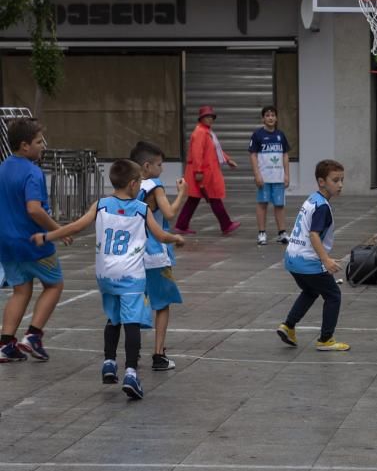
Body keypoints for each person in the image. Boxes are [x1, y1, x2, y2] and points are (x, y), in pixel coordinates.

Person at [33, 159, 185, 400]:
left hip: (105, 275)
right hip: (131, 277)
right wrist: (175, 239)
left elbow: (75, 226)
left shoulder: (101, 205)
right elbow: (160, 235)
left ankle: (109, 362)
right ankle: (132, 373)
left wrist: (48, 235)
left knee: (113, 319)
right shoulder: (141, 209)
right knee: (132, 322)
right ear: (134, 184)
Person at [0, 119, 67, 363]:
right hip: (33, 241)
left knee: (21, 290)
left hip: (7, 243)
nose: (43, 146)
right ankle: (33, 335)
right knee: (54, 285)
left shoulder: (3, 167)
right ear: (25, 146)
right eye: (39, 142)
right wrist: (59, 230)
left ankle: (7, 344)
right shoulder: (32, 172)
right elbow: (34, 210)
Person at [277, 159, 349, 352]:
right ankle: (326, 339)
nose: (340, 184)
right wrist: (325, 259)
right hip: (307, 261)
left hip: (292, 258)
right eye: (335, 180)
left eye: (342, 180)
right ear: (321, 181)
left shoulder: (312, 199)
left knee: (310, 291)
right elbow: (314, 234)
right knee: (333, 295)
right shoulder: (322, 207)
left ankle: (288, 326)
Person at [131, 141, 187, 371]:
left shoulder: (130, 187)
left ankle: (128, 356)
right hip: (155, 253)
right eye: (159, 164)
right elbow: (169, 213)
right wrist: (182, 193)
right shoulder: (155, 186)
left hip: (133, 255)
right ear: (147, 165)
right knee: (162, 304)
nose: (162, 169)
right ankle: (158, 354)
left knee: (133, 303)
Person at [174, 105, 240, 236]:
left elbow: (216, 150)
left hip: (205, 172)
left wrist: (227, 160)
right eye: (207, 117)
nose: (210, 119)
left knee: (194, 199)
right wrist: (198, 172)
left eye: (211, 117)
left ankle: (181, 225)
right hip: (203, 173)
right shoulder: (200, 132)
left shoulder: (207, 132)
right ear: (201, 118)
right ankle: (226, 224)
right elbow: (197, 153)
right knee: (214, 198)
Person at [249, 105, 291, 245]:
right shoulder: (257, 135)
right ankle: (262, 233)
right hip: (264, 178)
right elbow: (253, 156)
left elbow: (285, 155)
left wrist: (286, 175)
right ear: (263, 119)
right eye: (267, 115)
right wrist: (257, 175)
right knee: (262, 204)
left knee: (279, 205)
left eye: (273, 115)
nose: (270, 117)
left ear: (276, 118)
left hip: (278, 177)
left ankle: (282, 233)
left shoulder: (281, 135)